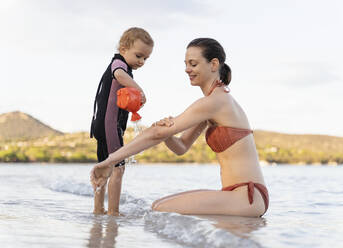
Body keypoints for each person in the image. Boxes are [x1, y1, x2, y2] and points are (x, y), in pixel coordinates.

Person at [90, 38, 269, 217]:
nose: (187, 69)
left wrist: (109, 161)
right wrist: (168, 134)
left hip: (248, 196)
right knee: (158, 204)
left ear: (214, 64)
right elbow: (181, 147)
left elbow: (156, 134)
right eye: (186, 64)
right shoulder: (214, 101)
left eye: (193, 64)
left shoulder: (215, 102)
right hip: (236, 194)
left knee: (159, 210)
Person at [90, 27, 154, 216]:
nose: (141, 62)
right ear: (123, 48)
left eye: (145, 59)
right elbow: (119, 75)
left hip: (102, 124)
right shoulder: (119, 64)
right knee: (118, 169)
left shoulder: (121, 64)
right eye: (139, 56)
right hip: (109, 126)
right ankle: (113, 212)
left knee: (103, 169)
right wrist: (140, 91)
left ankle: (98, 209)